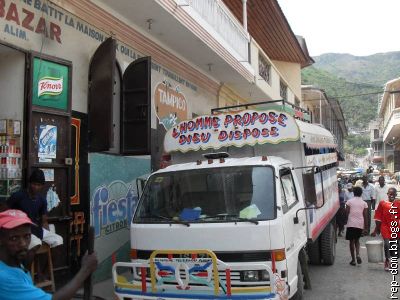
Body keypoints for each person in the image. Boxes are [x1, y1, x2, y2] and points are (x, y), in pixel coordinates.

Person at [0, 209, 97, 300]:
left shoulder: (13, 264)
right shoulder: (4, 278)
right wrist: (86, 269)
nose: (23, 244)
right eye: (14, 238)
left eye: (27, 236)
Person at [7, 169, 63, 266]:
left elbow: (44, 219)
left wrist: (47, 232)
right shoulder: (18, 196)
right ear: (29, 183)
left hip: (37, 229)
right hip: (23, 231)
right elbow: (6, 211)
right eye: (34, 184)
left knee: (58, 241)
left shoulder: (41, 199)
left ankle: (43, 274)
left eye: (39, 185)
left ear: (42, 186)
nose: (36, 187)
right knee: (35, 244)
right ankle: (25, 273)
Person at [372, 187, 400, 271]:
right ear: (387, 194)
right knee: (387, 244)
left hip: (396, 227)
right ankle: (387, 260)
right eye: (390, 194)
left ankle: (393, 262)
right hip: (385, 227)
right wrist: (376, 229)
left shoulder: (398, 204)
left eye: (393, 194)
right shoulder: (382, 203)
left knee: (394, 245)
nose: (391, 195)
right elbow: (378, 217)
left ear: (396, 195)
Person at [345, 186, 368, 266]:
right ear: (361, 193)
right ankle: (358, 254)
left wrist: (346, 221)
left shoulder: (349, 201)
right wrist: (366, 227)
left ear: (353, 193)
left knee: (351, 241)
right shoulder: (364, 203)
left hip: (351, 223)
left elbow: (347, 212)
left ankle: (353, 260)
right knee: (357, 240)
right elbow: (365, 215)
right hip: (359, 224)